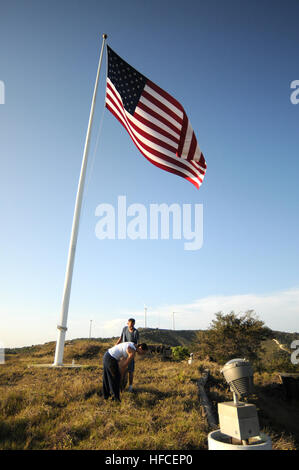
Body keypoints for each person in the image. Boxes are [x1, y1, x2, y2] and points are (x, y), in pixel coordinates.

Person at [115, 318, 139, 392]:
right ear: (127, 323)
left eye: (132, 325)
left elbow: (137, 344)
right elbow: (121, 337)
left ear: (134, 324)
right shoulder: (124, 329)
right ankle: (120, 386)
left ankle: (130, 386)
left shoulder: (135, 332)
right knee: (122, 369)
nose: (130, 326)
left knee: (130, 370)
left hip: (130, 353)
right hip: (123, 351)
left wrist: (132, 354)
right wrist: (116, 345)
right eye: (129, 324)